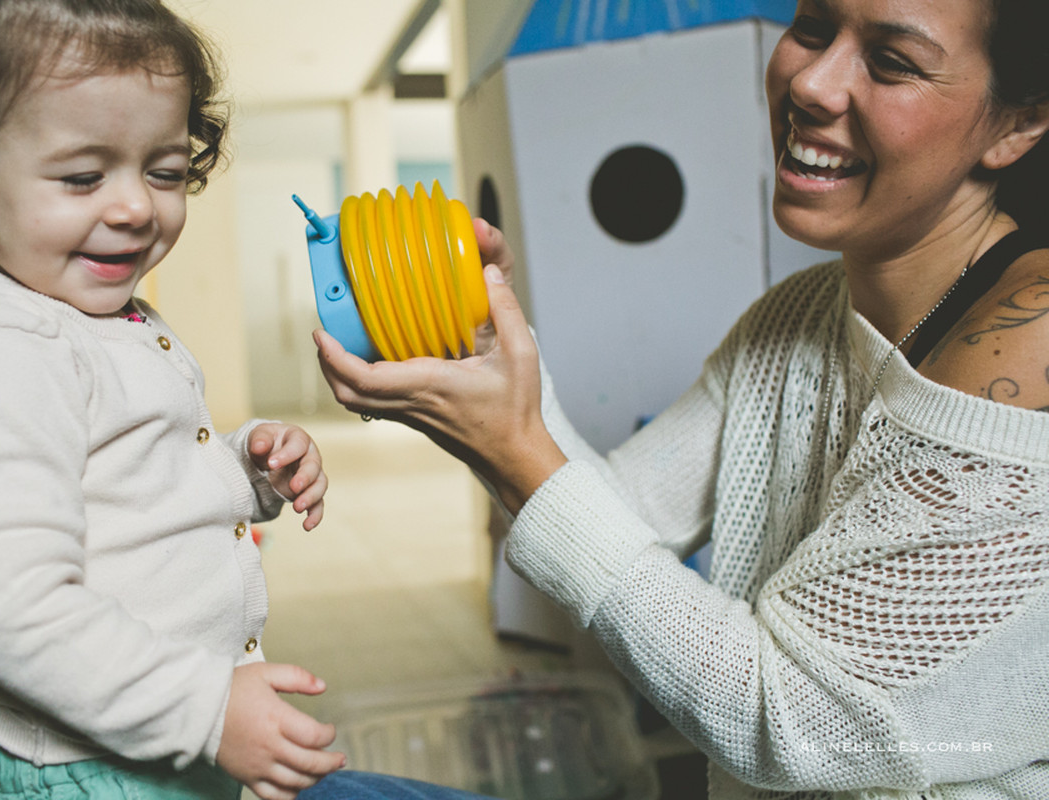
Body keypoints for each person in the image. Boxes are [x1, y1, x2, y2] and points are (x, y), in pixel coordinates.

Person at [310, 0, 1049, 798]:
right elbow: (619, 510)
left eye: (892, 62)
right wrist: (491, 354)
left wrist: (516, 451)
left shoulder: (1028, 343)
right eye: (811, 27)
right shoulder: (796, 318)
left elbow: (789, 719)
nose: (811, 81)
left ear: (1015, 126)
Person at [0, 2, 346, 798]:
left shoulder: (95, 318)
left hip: (162, 738)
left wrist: (246, 464)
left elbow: (131, 479)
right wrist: (207, 708)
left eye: (163, 170)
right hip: (88, 771)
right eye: (83, 176)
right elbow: (18, 612)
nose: (133, 207)